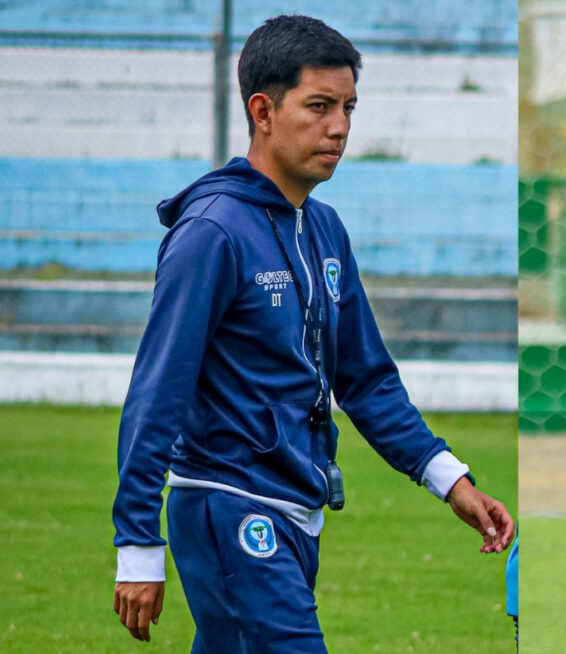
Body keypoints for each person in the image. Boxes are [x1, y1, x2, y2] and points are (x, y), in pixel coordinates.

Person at [111, 15, 514, 652]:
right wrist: (137, 545)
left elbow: (367, 380)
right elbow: (157, 392)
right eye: (320, 106)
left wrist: (451, 481)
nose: (340, 128)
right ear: (263, 111)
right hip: (230, 502)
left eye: (349, 107)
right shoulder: (210, 234)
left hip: (297, 509)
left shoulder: (324, 229)